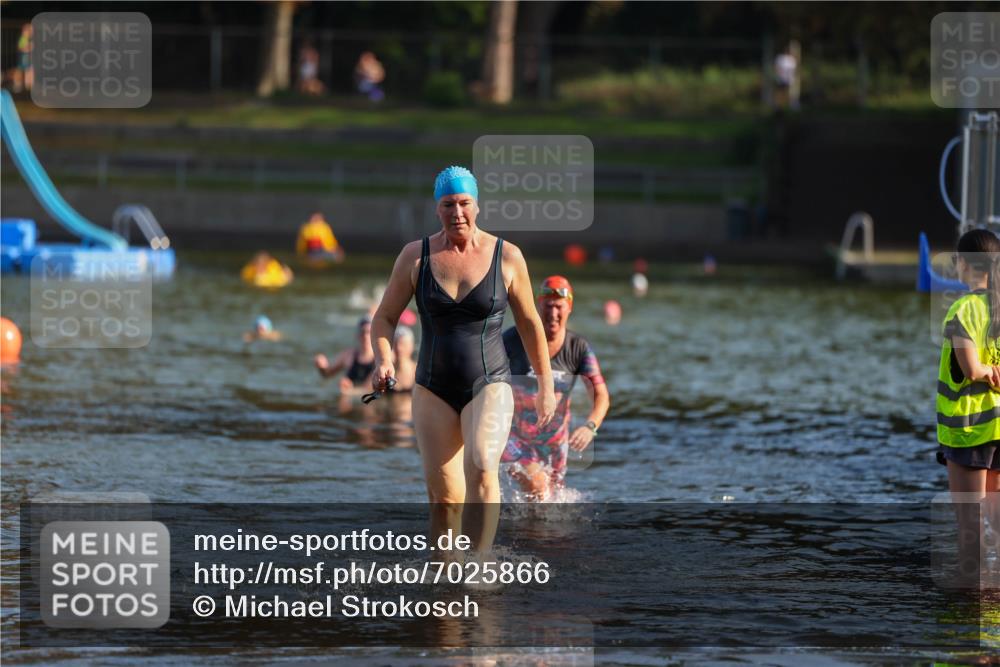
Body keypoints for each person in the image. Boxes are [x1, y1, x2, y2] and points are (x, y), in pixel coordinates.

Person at [371, 165, 556, 553]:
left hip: (489, 382)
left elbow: (529, 324)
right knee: (445, 502)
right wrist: (384, 360)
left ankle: (479, 564)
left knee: (484, 464)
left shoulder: (507, 256)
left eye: (464, 203)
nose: (457, 212)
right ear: (437, 209)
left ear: (477, 206)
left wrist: (545, 385)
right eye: (448, 204)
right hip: (432, 387)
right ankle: (446, 578)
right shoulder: (415, 256)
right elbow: (385, 318)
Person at [502, 276, 611, 500]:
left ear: (569, 308)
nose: (553, 314)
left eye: (559, 307)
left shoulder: (577, 348)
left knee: (549, 504)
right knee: (539, 489)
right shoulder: (512, 340)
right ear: (538, 307)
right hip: (514, 438)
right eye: (548, 307)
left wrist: (590, 426)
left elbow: (600, 395)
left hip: (555, 443)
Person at [936, 229, 1000, 584]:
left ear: (964, 265)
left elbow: (972, 370)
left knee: (969, 528)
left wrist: (987, 370)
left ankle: (968, 613)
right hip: (998, 429)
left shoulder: (963, 309)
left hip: (968, 431)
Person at [315, 315, 376, 394]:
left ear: (374, 335)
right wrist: (322, 367)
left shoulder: (379, 359)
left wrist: (349, 390)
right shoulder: (348, 355)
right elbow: (327, 374)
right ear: (357, 335)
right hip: (349, 397)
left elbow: (370, 390)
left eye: (369, 332)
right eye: (362, 332)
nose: (365, 336)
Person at [391, 326, 417, 391]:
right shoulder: (387, 371)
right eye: (396, 344)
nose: (399, 348)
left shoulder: (419, 371)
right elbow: (366, 390)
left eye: (403, 344)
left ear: (411, 346)